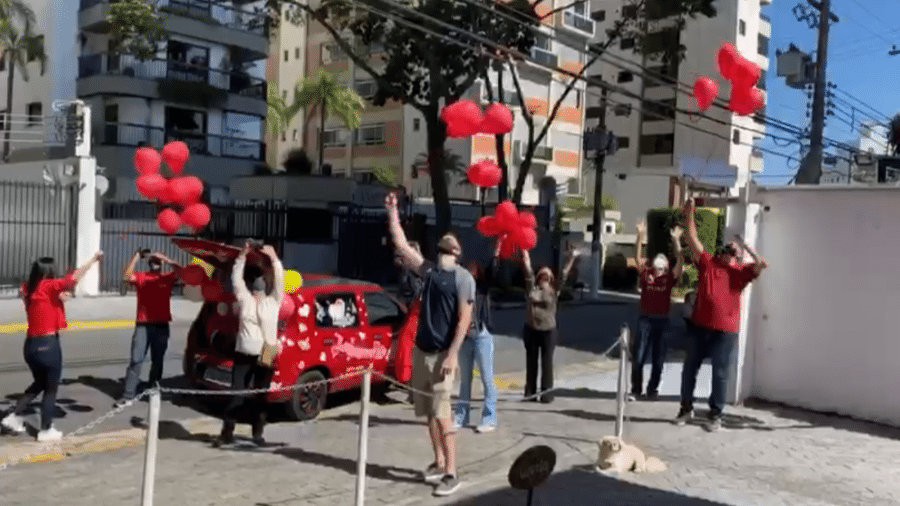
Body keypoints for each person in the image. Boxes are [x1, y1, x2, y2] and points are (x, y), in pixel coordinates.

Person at [385, 192, 474, 497]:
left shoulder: (463, 279)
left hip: (441, 357)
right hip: (422, 351)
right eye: (443, 244)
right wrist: (392, 210)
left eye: (451, 246)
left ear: (457, 252)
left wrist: (452, 356)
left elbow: (464, 320)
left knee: (443, 413)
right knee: (428, 413)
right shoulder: (430, 272)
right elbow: (400, 243)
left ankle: (452, 472)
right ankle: (438, 461)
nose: (446, 248)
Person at [676, 198, 768, 432]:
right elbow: (691, 237)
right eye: (726, 249)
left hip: (725, 331)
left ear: (737, 257)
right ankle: (686, 408)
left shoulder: (741, 273)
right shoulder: (709, 264)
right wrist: (690, 213)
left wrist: (744, 246)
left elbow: (761, 264)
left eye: (732, 251)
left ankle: (715, 414)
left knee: (720, 373)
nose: (728, 253)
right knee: (690, 368)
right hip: (699, 326)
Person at [0, 251, 103, 441]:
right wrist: (92, 261)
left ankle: (12, 416)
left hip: (30, 345)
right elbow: (73, 277)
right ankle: (46, 430)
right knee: (50, 389)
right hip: (48, 345)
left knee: (39, 383)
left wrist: (59, 297)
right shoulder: (48, 286)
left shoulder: (28, 289)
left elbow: (46, 302)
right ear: (49, 271)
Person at [214, 242, 284, 447]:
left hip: (266, 353)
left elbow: (280, 280)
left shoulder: (274, 301)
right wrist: (242, 257)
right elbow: (236, 279)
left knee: (261, 396)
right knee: (237, 394)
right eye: (255, 288)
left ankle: (257, 434)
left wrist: (273, 258)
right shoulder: (246, 300)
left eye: (259, 289)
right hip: (244, 353)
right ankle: (227, 433)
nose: (257, 292)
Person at [116, 250, 182, 407]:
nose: (156, 263)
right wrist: (136, 257)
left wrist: (166, 258)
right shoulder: (141, 276)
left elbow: (182, 272)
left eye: (158, 261)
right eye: (153, 261)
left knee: (157, 360)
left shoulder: (167, 277)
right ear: (149, 263)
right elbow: (126, 276)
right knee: (136, 360)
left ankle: (152, 389)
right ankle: (128, 395)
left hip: (161, 325)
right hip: (143, 324)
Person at [630, 221, 684, 401]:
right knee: (638, 356)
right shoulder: (647, 275)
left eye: (662, 269)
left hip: (662, 320)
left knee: (658, 359)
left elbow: (680, 262)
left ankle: (652, 389)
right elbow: (638, 258)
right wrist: (640, 236)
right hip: (645, 319)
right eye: (657, 268)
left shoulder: (669, 278)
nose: (659, 271)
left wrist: (676, 240)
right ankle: (636, 390)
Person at [453, 240, 501, 433]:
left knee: (487, 378)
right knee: (465, 380)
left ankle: (489, 418)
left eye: (474, 271)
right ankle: (461, 417)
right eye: (467, 271)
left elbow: (494, 271)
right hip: (465, 337)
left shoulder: (482, 288)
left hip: (482, 335)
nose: (470, 274)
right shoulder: (459, 291)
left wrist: (496, 253)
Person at [520, 244, 578, 404]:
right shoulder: (532, 289)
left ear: (551, 279)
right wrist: (525, 253)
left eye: (547, 277)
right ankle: (530, 394)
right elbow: (527, 271)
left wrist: (570, 258)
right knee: (531, 363)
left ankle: (547, 395)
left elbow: (564, 274)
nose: (544, 278)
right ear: (538, 278)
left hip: (548, 331)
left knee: (547, 363)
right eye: (542, 276)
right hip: (531, 330)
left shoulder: (554, 291)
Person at [398, 241, 423, 306]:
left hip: (415, 300)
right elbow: (402, 285)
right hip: (405, 299)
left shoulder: (420, 265)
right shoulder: (404, 266)